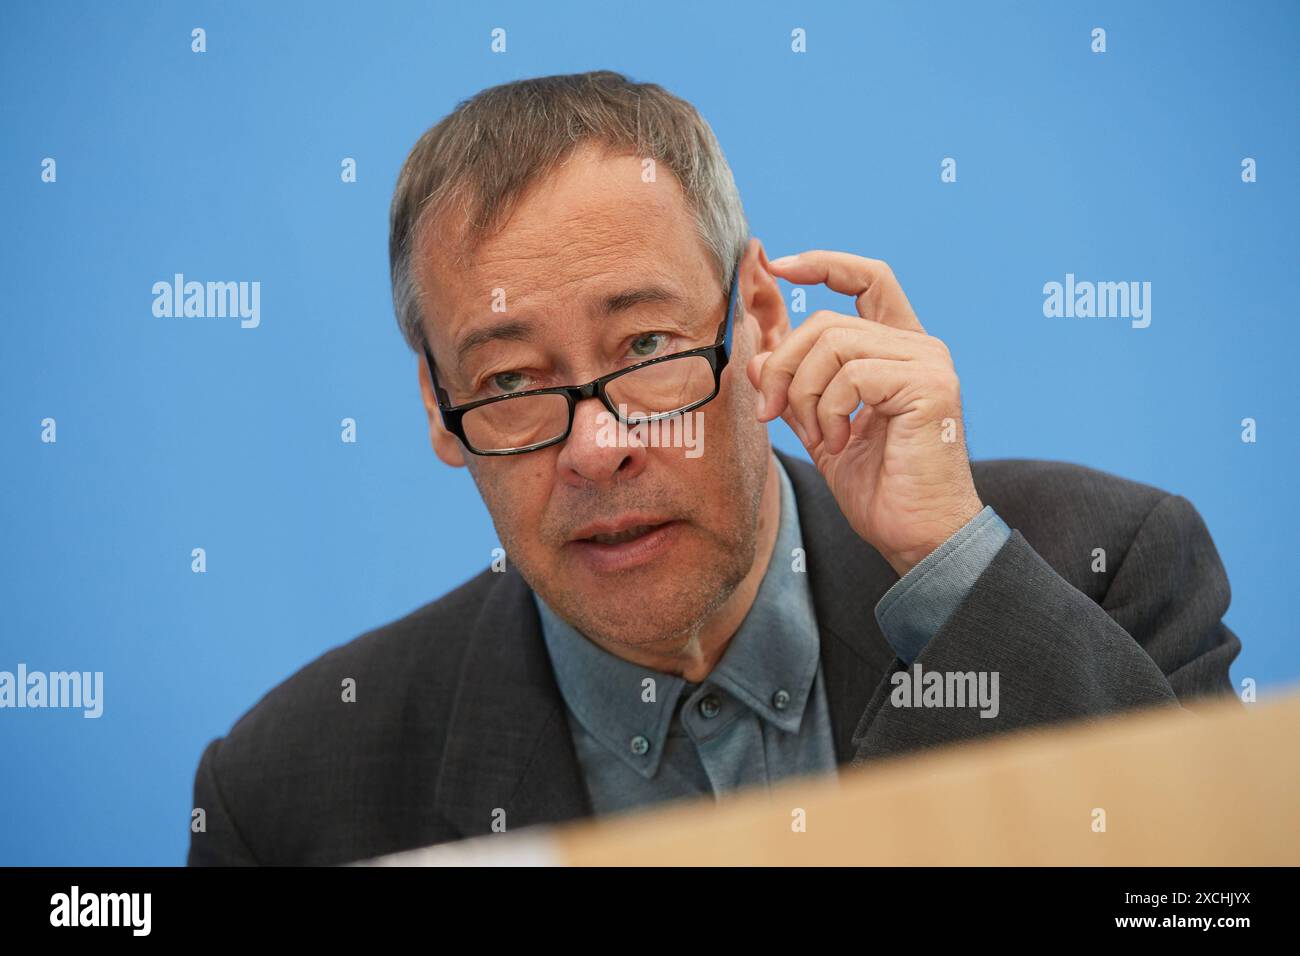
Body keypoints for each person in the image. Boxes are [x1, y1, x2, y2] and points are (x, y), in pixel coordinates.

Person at [187, 70, 1241, 866]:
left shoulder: (1102, 569)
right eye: (509, 381)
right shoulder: (291, 793)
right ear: (438, 407)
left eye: (646, 350)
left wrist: (956, 569)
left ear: (759, 316)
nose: (599, 446)